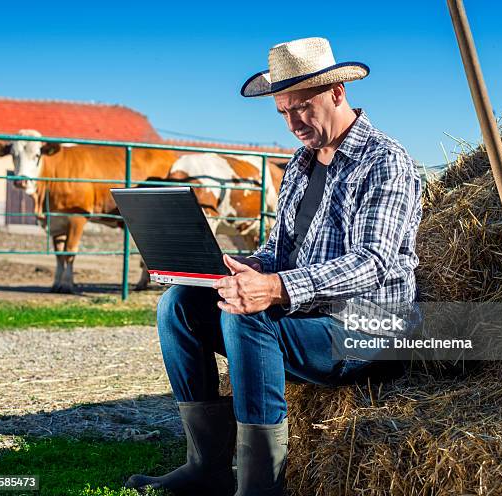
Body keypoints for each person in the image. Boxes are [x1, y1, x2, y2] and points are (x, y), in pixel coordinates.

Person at [126, 37, 422, 496]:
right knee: (178, 304)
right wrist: (242, 267)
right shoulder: (300, 166)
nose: (293, 123)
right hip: (307, 316)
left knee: (246, 319)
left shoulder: (385, 162)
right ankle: (206, 465)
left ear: (337, 93)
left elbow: (373, 262)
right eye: (283, 112)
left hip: (368, 327)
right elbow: (278, 251)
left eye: (302, 107)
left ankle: (262, 485)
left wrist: (275, 286)